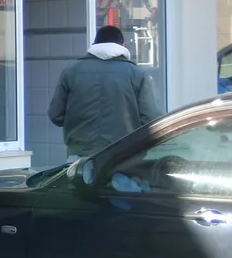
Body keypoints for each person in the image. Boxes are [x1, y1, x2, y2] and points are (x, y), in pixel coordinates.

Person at [47, 24, 164, 158]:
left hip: (79, 156)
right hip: (124, 155)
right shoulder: (137, 74)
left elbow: (55, 115)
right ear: (123, 45)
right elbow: (151, 118)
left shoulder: (70, 72)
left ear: (94, 44)